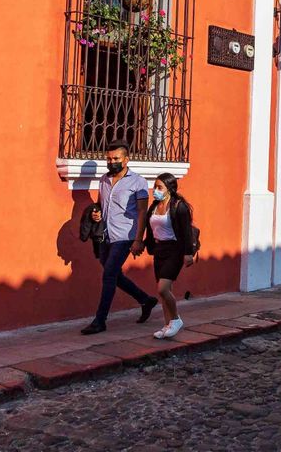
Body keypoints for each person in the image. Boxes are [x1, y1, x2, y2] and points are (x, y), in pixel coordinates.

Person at [81, 141, 158, 335]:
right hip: (105, 235)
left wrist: (139, 239)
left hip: (125, 236)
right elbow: (100, 204)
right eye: (109, 158)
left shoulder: (137, 182)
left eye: (116, 159)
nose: (111, 162)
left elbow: (142, 212)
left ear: (126, 160)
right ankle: (145, 300)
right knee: (114, 275)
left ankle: (100, 320)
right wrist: (96, 214)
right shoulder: (104, 180)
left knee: (108, 275)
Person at [144, 173, 198, 339]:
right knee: (163, 292)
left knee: (163, 288)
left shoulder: (178, 207)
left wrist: (189, 253)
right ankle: (167, 325)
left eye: (160, 187)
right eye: (155, 187)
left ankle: (176, 319)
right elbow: (151, 230)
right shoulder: (153, 207)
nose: (156, 190)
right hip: (159, 250)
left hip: (175, 249)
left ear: (169, 189)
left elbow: (187, 231)